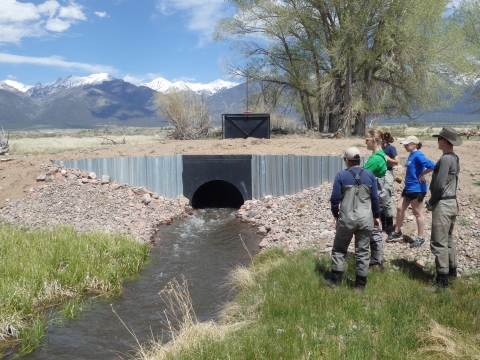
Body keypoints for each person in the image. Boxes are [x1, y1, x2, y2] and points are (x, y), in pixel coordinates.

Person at [327, 147, 381, 290]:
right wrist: (376, 216)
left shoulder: (341, 176)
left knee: (339, 249)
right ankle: (360, 286)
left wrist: (335, 215)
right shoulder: (370, 175)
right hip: (366, 219)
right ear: (358, 160)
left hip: (347, 219)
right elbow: (375, 198)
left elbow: (334, 199)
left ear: (346, 160)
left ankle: (335, 283)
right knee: (362, 252)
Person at [426, 127, 461, 288]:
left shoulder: (446, 159)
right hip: (452, 203)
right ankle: (452, 272)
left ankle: (442, 281)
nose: (437, 141)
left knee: (439, 243)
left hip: (443, 204)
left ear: (444, 141)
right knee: (448, 240)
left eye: (439, 138)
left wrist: (431, 201)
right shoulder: (454, 158)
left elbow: (439, 185)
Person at [387, 135, 434, 247]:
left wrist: (422, 174)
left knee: (417, 213)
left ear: (414, 144)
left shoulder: (418, 155)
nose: (405, 146)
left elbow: (432, 165)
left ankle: (420, 237)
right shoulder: (412, 155)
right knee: (399, 208)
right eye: (405, 144)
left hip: (417, 189)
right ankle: (397, 231)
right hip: (408, 187)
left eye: (407, 144)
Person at [363, 128, 387, 269]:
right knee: (374, 227)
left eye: (367, 139)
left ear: (374, 141)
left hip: (374, 198)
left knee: (374, 228)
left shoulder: (375, 158)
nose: (365, 142)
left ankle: (376, 261)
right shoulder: (381, 155)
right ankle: (376, 259)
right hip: (379, 196)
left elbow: (360, 177)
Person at [382, 131, 399, 233]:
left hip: (388, 172)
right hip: (380, 173)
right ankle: (382, 224)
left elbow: (396, 161)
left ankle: (389, 225)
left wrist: (387, 158)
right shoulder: (380, 148)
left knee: (386, 201)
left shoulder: (391, 148)